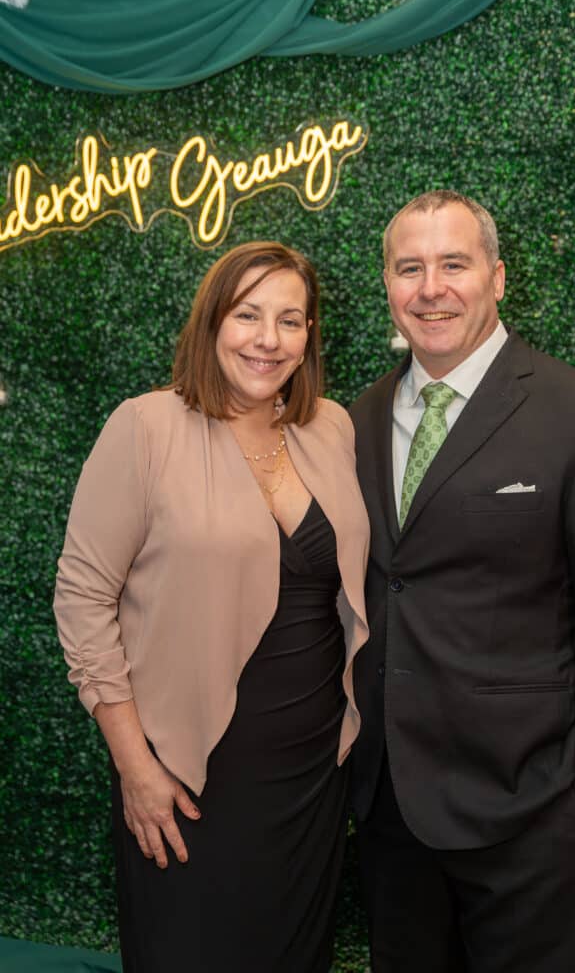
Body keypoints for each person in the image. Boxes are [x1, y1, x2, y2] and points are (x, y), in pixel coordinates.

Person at [349, 190, 575, 973]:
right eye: (409, 268)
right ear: (387, 284)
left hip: (532, 809)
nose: (430, 288)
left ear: (496, 278)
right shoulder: (355, 418)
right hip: (388, 808)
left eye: (453, 265)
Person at [54, 241, 370, 973]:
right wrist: (136, 767)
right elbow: (82, 596)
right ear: (211, 322)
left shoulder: (332, 427)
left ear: (309, 335)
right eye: (248, 315)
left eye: (290, 320)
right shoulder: (144, 425)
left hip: (312, 770)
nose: (268, 339)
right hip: (187, 771)